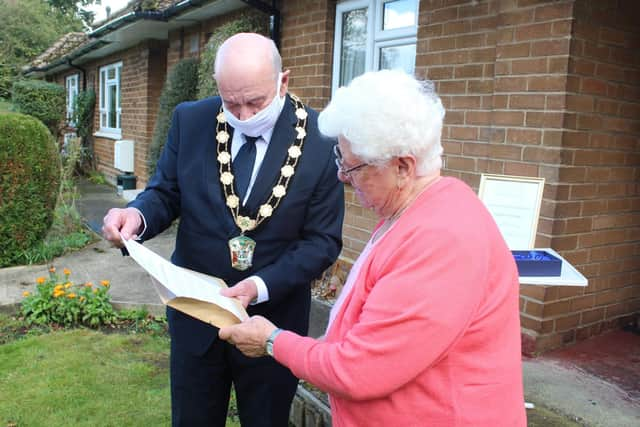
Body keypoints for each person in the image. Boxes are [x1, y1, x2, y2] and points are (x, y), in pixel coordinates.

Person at [219, 69, 527, 426]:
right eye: (341, 160)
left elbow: (357, 371)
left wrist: (272, 340)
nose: (341, 176)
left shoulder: (442, 237)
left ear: (402, 167)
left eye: (353, 166)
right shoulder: (412, 210)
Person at [102, 33, 344, 427]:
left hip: (272, 324)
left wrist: (259, 286)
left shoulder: (321, 137)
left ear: (283, 81)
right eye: (231, 103)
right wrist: (137, 217)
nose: (244, 116)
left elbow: (322, 241)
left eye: (255, 102)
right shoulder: (191, 119)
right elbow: (166, 192)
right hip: (195, 316)